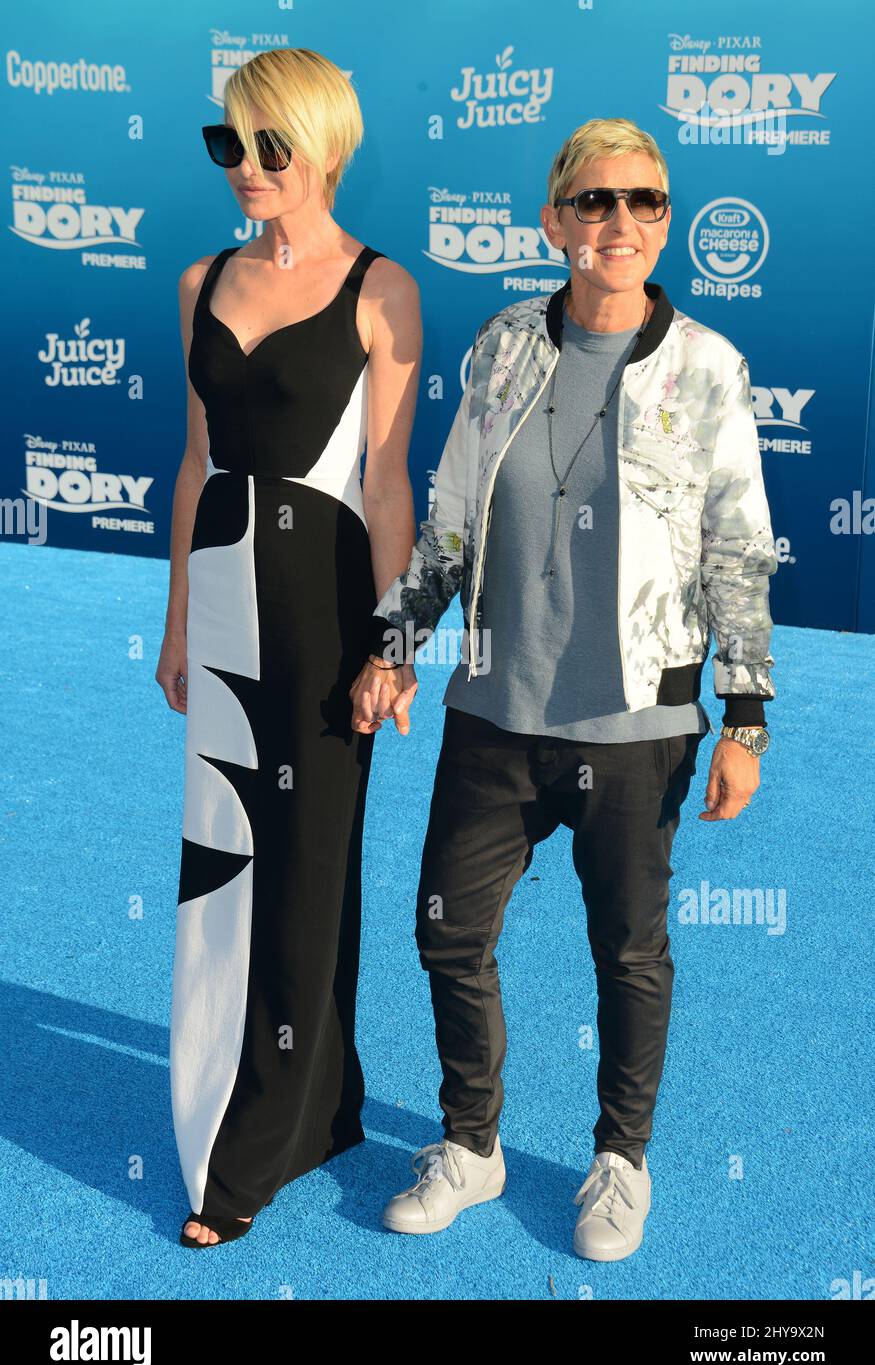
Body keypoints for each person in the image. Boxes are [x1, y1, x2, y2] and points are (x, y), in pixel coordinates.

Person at [350, 116, 776, 1261]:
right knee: (447, 933)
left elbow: (738, 547)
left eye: (642, 201)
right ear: (553, 219)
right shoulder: (500, 346)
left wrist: (744, 715)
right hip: (493, 707)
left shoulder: (708, 368)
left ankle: (617, 1161)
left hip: (637, 719)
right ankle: (472, 1143)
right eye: (592, 202)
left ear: (664, 219)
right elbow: (446, 516)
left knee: (627, 951)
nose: (617, 223)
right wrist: (397, 645)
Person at [155, 47, 421, 1248]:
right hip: (218, 599)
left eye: (269, 147)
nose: (246, 168)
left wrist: (399, 640)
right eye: (230, 144)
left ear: (322, 146)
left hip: (321, 609)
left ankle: (252, 1150)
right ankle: (317, 1101)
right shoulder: (198, 278)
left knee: (314, 859)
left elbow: (384, 480)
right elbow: (196, 458)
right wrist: (173, 618)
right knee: (227, 850)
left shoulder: (382, 290)